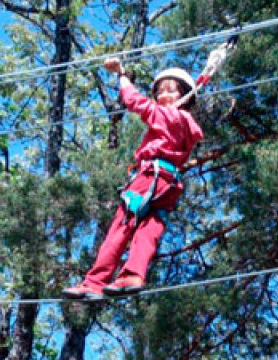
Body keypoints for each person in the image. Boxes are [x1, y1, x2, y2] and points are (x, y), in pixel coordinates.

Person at [62, 57, 204, 300]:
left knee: (121, 225)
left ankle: (95, 282)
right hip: (169, 184)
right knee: (149, 230)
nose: (162, 96)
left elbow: (133, 100)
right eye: (159, 92)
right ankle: (133, 275)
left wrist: (122, 75)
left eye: (170, 91)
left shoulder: (165, 115)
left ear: (184, 97)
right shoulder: (188, 124)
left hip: (150, 177)